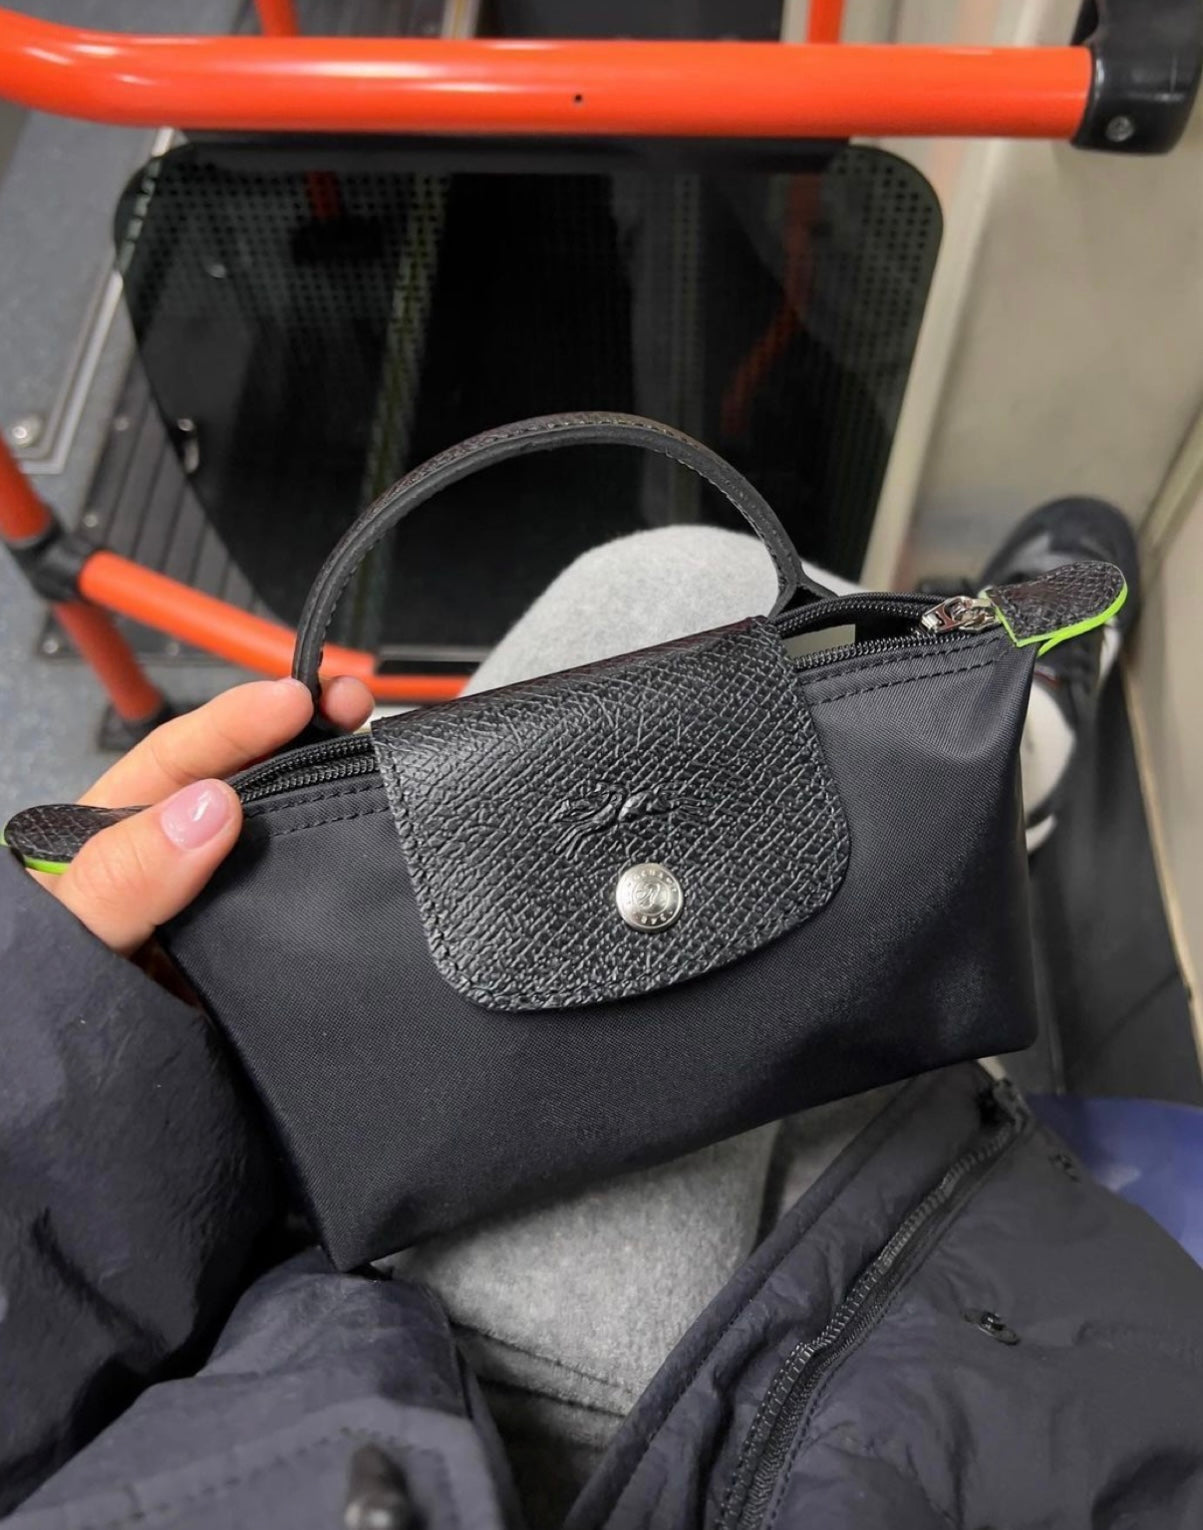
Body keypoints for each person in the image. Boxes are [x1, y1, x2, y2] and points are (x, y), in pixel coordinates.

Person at [2, 498, 1201, 1530]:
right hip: (527, 1440)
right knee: (693, 582)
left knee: (678, 591)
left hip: (298, 1395)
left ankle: (995, 749)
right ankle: (1018, 746)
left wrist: (72, 1021)